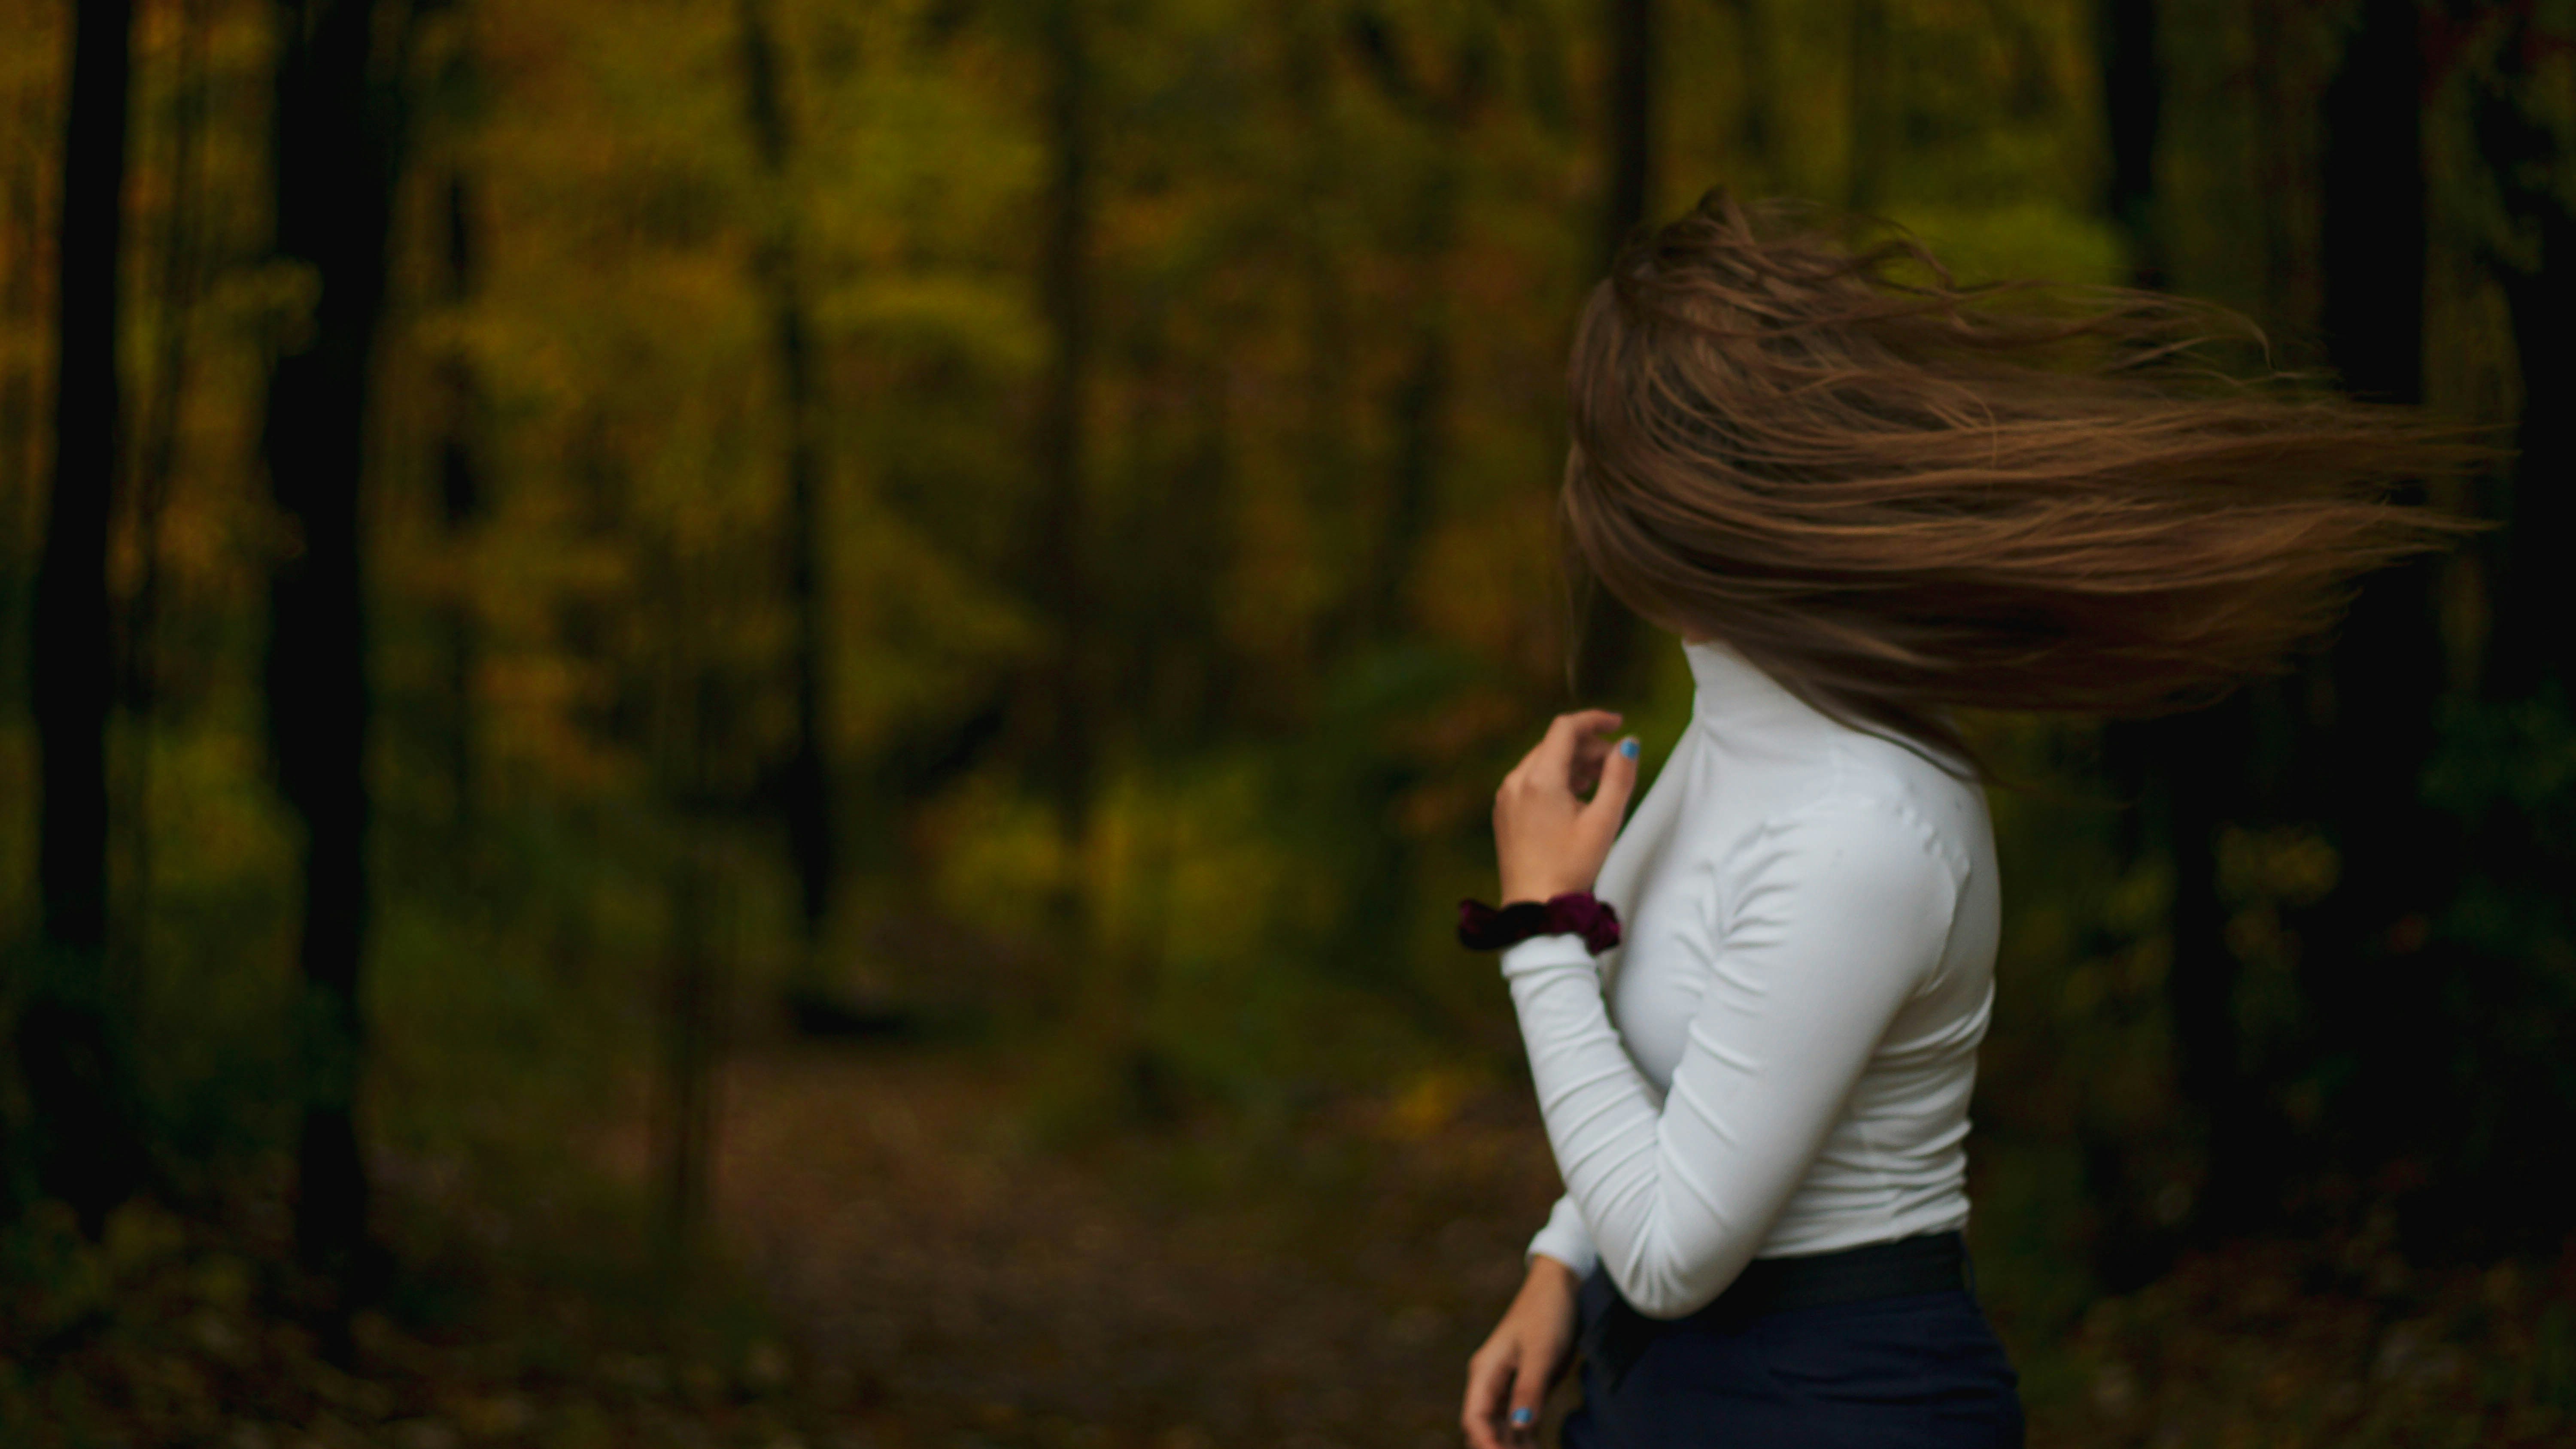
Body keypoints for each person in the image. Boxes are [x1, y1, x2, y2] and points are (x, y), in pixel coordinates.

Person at [1455, 191, 2483, 1449]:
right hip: (1664, 1387)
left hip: (1830, 1406)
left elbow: (1675, 1251)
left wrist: (1540, 930)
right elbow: (1698, 1092)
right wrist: (1562, 1263)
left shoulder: (1863, 820)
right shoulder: (1744, 718)